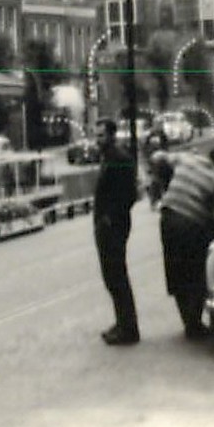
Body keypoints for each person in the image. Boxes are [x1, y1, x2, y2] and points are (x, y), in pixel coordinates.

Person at [157, 145, 214, 339]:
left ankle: (187, 321)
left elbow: (159, 158)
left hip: (168, 216)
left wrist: (166, 185)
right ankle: (194, 324)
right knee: (197, 272)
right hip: (191, 224)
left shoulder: (188, 160)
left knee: (175, 271)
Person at [92, 117, 140, 346]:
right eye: (96, 135)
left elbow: (128, 193)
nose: (97, 139)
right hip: (107, 224)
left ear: (112, 135)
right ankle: (122, 322)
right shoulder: (110, 158)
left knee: (116, 275)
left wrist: (110, 218)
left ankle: (128, 328)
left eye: (101, 135)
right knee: (111, 276)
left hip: (113, 226)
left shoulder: (119, 159)